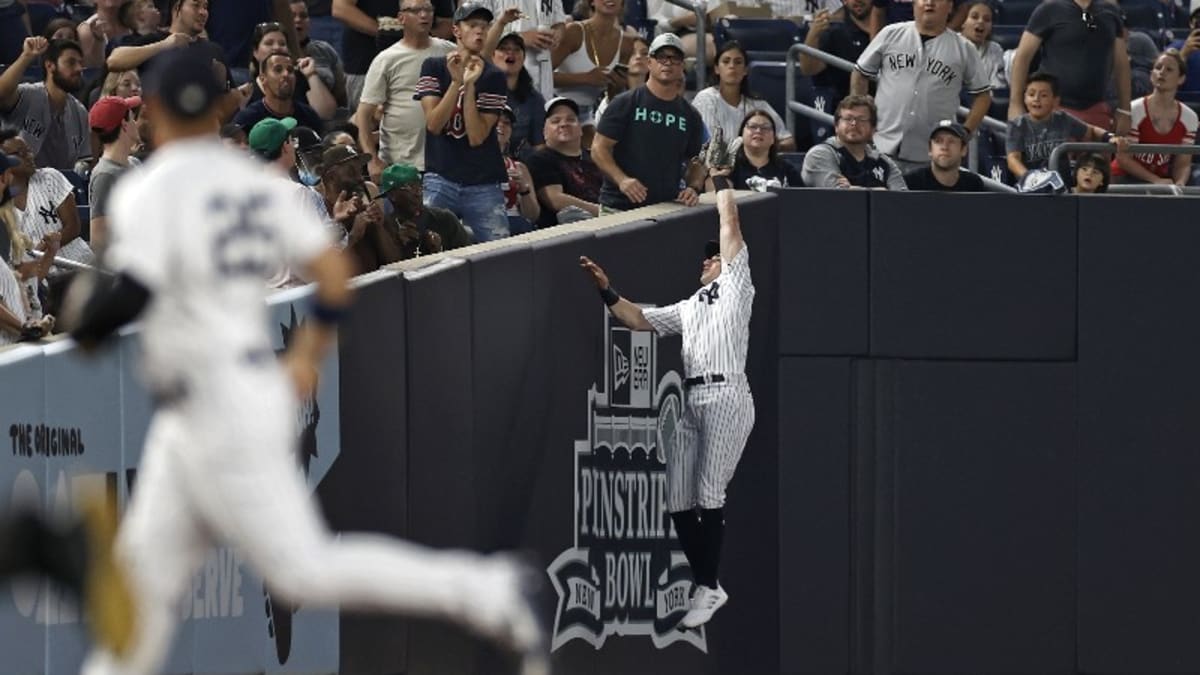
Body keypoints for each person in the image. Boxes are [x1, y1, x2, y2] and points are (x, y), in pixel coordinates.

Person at [63, 47, 549, 675]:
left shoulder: (150, 189)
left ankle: (489, 590)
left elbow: (127, 294)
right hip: (224, 397)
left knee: (299, 568)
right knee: (140, 591)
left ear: (152, 112)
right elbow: (331, 275)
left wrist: (81, 313)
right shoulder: (255, 185)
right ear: (217, 109)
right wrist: (306, 358)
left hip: (216, 405)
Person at [578, 169, 753, 631]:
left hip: (727, 392)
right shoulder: (690, 305)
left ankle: (708, 584)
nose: (707, 261)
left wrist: (719, 180)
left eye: (712, 258)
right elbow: (636, 319)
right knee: (678, 499)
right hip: (695, 397)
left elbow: (730, 225)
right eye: (706, 259)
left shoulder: (737, 285)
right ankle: (707, 584)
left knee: (709, 494)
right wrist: (606, 289)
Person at [851, 0, 992, 173]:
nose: (929, 3)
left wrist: (965, 132)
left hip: (931, 158)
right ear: (913, 4)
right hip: (880, 148)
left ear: (950, 7)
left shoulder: (964, 48)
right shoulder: (890, 33)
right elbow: (860, 73)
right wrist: (861, 118)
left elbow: (983, 95)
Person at [417, 2, 511, 242]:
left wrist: (469, 85)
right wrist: (456, 81)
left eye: (485, 26)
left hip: (483, 182)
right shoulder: (433, 66)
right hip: (440, 176)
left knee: (499, 253)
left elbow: (477, 135)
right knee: (424, 246)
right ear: (457, 30)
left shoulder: (494, 76)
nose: (480, 31)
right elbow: (434, 124)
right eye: (472, 25)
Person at [592, 33, 705, 213]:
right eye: (661, 57)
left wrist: (693, 187)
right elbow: (599, 148)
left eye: (674, 58)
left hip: (665, 207)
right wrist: (622, 180)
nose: (667, 62)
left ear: (682, 66)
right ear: (649, 63)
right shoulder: (625, 103)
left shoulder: (691, 115)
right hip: (619, 206)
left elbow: (697, 160)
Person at [356, 0, 456, 178]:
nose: (424, 15)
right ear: (401, 18)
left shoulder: (449, 51)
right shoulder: (386, 59)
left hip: (444, 161)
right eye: (416, 11)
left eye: (428, 10)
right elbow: (364, 114)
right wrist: (372, 160)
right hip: (399, 163)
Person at [1007, 0, 1131, 134]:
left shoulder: (1111, 12)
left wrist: (1125, 110)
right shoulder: (1049, 9)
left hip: (1096, 109)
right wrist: (1015, 104)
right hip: (1053, 108)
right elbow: (1022, 58)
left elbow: (1122, 64)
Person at [334, 0, 456, 109]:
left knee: (418, 120)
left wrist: (418, 37)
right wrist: (383, 32)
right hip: (366, 61)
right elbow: (341, 8)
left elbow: (446, 22)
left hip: (423, 66)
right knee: (367, 121)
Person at [1006, 72, 1124, 184]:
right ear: (1025, 98)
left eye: (1043, 95)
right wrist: (1031, 178)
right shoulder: (1017, 125)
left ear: (1056, 101)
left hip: (1062, 187)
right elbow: (1013, 160)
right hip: (1030, 190)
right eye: (1031, 94)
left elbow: (1091, 131)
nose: (1036, 99)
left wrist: (1110, 137)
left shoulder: (1063, 119)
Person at [0, 128, 95, 267]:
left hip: (77, 261)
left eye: (28, 150)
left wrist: (47, 247)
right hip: (39, 276)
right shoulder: (3, 204)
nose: (29, 156)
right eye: (20, 153)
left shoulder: (50, 177)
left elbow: (73, 226)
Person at [0, 37, 91, 173]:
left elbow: (85, 160)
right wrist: (26, 56)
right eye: (71, 62)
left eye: (80, 63)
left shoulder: (79, 111)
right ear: (50, 65)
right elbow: (2, 93)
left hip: (60, 188)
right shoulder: (29, 94)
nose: (79, 68)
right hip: (19, 184)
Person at [551, 0, 631, 147]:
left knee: (600, 153)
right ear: (591, 2)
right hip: (554, 107)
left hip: (585, 114)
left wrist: (617, 87)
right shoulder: (574, 32)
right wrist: (585, 78)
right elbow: (542, 76)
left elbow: (612, 98)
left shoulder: (626, 43)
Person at [691, 41, 796, 154]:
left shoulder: (758, 104)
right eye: (726, 61)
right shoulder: (705, 99)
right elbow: (709, 146)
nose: (732, 66)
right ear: (717, 69)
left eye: (738, 62)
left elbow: (789, 142)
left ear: (745, 70)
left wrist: (766, 147)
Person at [1112, 50, 1198, 186]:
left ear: (1181, 79)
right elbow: (1123, 158)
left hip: (1161, 181)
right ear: (1151, 75)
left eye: (1169, 69)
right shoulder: (1134, 109)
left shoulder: (1190, 118)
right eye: (1158, 68)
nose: (1162, 72)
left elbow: (1182, 164)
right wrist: (1155, 180)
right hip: (1125, 178)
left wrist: (1180, 183)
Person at [802, 94, 908, 189]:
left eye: (861, 119)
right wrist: (881, 191)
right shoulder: (820, 154)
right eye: (848, 118)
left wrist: (853, 188)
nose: (854, 123)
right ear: (836, 126)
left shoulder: (884, 162)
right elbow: (839, 197)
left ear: (873, 129)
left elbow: (901, 200)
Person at [236, 21, 337, 120]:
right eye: (269, 43)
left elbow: (326, 114)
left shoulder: (301, 78)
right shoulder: (246, 90)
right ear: (255, 52)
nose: (277, 47)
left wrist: (311, 75)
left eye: (282, 43)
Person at [527, 96, 604, 226]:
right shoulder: (540, 159)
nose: (564, 124)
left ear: (580, 129)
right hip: (568, 230)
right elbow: (555, 199)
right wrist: (604, 212)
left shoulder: (596, 157)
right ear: (544, 132)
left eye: (571, 119)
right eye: (555, 121)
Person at [105, 0, 229, 79]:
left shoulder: (214, 50)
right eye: (196, 5)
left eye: (205, 6)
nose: (203, 12)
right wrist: (164, 45)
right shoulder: (155, 40)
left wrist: (233, 95)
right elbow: (114, 60)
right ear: (177, 9)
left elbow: (225, 109)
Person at [377, 161, 474, 255]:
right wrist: (398, 245)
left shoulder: (444, 219)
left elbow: (469, 262)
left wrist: (439, 250)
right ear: (392, 195)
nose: (418, 193)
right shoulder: (386, 228)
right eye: (409, 187)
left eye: (419, 186)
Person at [478, 0, 568, 98]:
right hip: (503, 67)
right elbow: (478, 31)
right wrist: (519, 37)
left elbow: (559, 22)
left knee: (541, 107)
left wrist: (557, 35)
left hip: (543, 67)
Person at [88, 95, 142, 250]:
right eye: (132, 118)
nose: (136, 123)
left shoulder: (134, 163)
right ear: (124, 125)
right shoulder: (105, 176)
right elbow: (98, 241)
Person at [799, 0, 873, 105]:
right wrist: (813, 34)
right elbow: (808, 69)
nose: (857, 1)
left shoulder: (890, 29)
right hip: (843, 108)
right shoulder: (834, 32)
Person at [233, 51, 325, 133]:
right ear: (263, 79)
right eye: (278, 70)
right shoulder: (247, 119)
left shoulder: (309, 116)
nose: (286, 74)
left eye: (290, 70)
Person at [718, 109, 802, 191]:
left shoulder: (786, 169)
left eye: (765, 128)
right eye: (753, 126)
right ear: (741, 134)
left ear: (773, 138)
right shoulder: (729, 167)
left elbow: (802, 200)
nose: (758, 131)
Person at [494, 31, 546, 157]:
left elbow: (539, 146)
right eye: (503, 48)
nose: (510, 52)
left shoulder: (535, 99)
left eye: (517, 49)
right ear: (492, 55)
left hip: (518, 165)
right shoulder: (481, 90)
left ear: (523, 58)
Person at [289, 0, 348, 108]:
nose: (298, 20)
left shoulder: (324, 49)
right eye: (292, 16)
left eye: (303, 16)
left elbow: (342, 93)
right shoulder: (274, 53)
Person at [902, 118, 987, 191]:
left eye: (951, 141)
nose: (944, 147)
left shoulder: (973, 185)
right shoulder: (912, 182)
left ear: (964, 149)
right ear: (930, 149)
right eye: (938, 141)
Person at [496, 105, 539, 233]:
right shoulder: (469, 164)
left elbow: (533, 216)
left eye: (507, 122)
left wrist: (524, 190)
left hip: (516, 225)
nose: (501, 125)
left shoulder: (519, 168)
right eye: (496, 120)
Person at [958, 1, 1004, 89]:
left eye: (987, 19)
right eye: (974, 17)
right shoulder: (949, 44)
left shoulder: (995, 49)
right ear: (963, 22)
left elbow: (997, 86)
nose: (981, 21)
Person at [1167, 5, 1200, 93]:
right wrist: (1183, 54)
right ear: (1192, 23)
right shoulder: (1176, 47)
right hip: (1185, 101)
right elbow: (1164, 77)